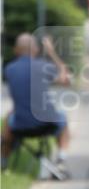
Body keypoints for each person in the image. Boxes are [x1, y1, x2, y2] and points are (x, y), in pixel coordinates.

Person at [2, 33, 72, 177]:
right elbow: (66, 80)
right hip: (47, 124)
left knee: (9, 118)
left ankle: (3, 161)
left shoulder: (9, 69)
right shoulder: (43, 66)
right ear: (36, 50)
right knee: (63, 117)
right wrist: (52, 52)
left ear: (16, 50)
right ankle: (61, 160)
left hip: (20, 126)